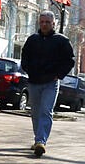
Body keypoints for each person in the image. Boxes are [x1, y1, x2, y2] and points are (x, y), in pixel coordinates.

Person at [21, 10, 75, 158]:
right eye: (42, 22)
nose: (44, 25)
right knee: (35, 113)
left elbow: (70, 60)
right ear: (39, 23)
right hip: (34, 81)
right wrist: (28, 69)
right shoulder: (32, 40)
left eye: (47, 22)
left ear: (53, 24)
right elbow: (24, 57)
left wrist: (58, 75)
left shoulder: (62, 41)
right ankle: (38, 138)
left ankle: (40, 141)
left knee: (46, 111)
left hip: (51, 83)